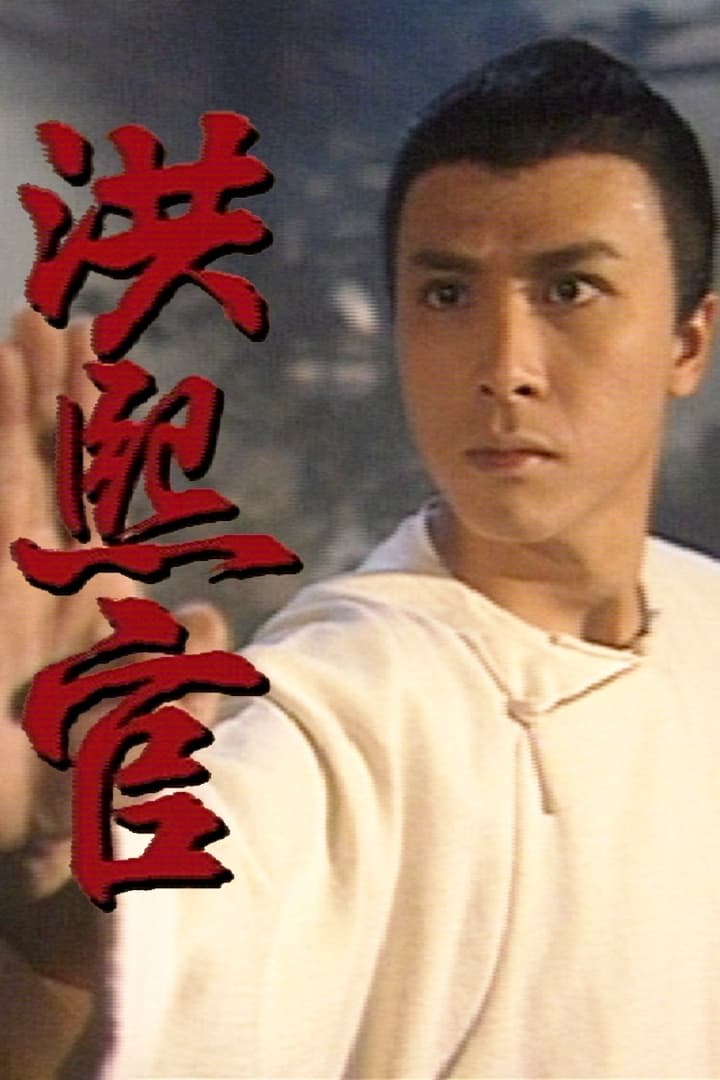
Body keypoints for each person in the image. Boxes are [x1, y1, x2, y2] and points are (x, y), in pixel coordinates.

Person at [2, 35, 720, 1078]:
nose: (505, 366)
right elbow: (167, 974)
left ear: (688, 341)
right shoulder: (345, 700)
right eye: (447, 295)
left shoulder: (707, 620)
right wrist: (46, 878)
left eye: (569, 289)